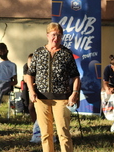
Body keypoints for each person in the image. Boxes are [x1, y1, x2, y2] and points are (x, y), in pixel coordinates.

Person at [26, 22, 81, 152]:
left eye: (59, 36)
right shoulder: (39, 52)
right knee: (45, 134)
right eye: (53, 35)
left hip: (62, 99)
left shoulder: (66, 53)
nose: (56, 38)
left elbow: (76, 76)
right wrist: (31, 90)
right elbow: (29, 75)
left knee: (64, 133)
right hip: (41, 98)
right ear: (47, 35)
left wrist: (74, 93)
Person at [21, 53, 37, 123]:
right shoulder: (25, 66)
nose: (29, 64)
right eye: (28, 62)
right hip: (29, 83)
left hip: (37, 84)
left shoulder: (38, 67)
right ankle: (25, 107)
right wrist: (30, 83)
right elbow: (25, 78)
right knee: (24, 86)